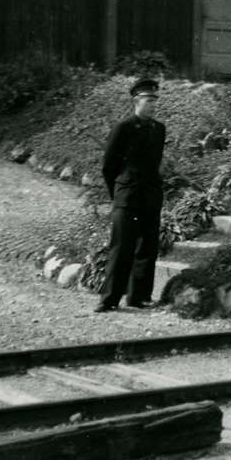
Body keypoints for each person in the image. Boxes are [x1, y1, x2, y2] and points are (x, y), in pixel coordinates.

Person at [96, 78, 166, 312]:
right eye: (149, 100)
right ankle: (109, 299)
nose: (153, 105)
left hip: (150, 196)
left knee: (147, 248)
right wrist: (117, 193)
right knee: (121, 248)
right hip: (127, 196)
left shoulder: (159, 129)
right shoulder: (123, 127)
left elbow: (154, 164)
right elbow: (108, 166)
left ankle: (139, 297)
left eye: (155, 100)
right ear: (136, 101)